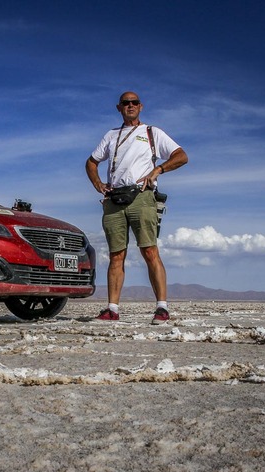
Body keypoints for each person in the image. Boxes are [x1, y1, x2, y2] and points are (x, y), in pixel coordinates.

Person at [85, 91, 188, 324]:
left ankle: (162, 308)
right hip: (114, 199)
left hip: (142, 197)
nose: (130, 106)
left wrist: (158, 170)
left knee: (150, 250)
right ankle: (112, 309)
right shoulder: (111, 136)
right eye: (125, 103)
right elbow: (91, 162)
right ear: (118, 107)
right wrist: (98, 184)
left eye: (134, 103)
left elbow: (181, 156)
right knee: (116, 255)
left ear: (140, 107)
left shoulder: (152, 133)